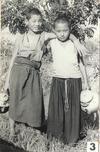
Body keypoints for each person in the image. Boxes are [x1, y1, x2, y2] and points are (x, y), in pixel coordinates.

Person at [4, 7, 87, 138]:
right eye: (33, 21)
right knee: (15, 99)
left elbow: (63, 32)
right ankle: (12, 130)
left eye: (39, 21)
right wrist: (6, 80)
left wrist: (76, 41)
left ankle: (36, 127)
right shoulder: (20, 37)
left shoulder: (44, 36)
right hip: (18, 71)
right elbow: (13, 58)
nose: (37, 24)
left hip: (34, 72)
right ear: (27, 22)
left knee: (36, 101)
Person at [47, 14, 89, 145]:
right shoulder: (51, 43)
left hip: (74, 80)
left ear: (70, 29)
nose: (62, 34)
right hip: (58, 80)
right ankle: (56, 138)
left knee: (73, 110)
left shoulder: (74, 44)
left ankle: (72, 139)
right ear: (54, 31)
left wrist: (87, 82)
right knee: (57, 110)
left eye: (65, 30)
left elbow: (81, 64)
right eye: (58, 31)